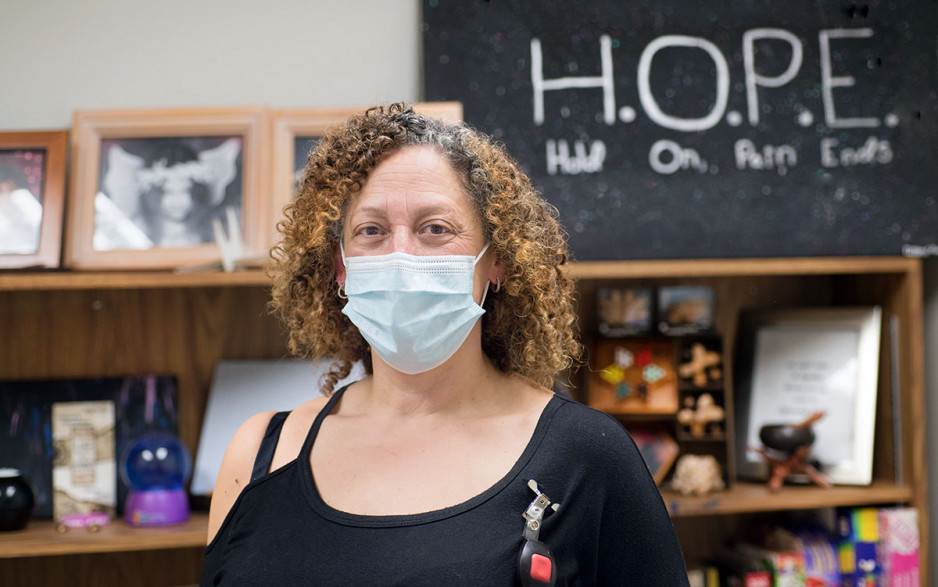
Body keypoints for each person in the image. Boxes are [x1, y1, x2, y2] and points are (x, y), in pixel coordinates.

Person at [202, 104, 689, 586]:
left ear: (495, 260)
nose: (401, 257)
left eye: (435, 229)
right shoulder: (260, 454)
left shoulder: (588, 455)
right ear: (341, 267)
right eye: (370, 231)